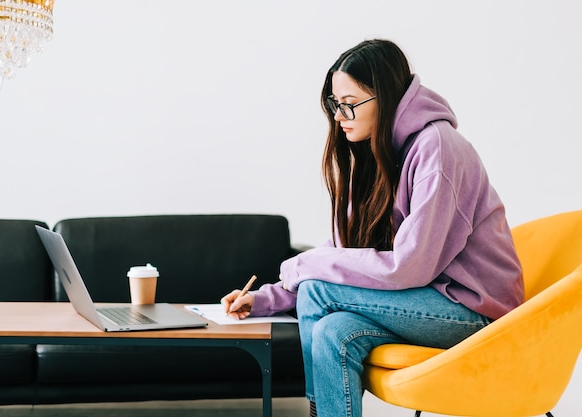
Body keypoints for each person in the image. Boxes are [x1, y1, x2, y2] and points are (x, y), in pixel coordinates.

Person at [221, 39, 523, 417]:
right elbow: (344, 251)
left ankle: (317, 412)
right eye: (334, 103)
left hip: (477, 312)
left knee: (316, 289)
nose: (338, 115)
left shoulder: (439, 150)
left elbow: (410, 266)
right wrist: (266, 299)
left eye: (349, 102)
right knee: (333, 334)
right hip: (425, 301)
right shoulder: (377, 153)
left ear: (387, 97)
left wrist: (303, 266)